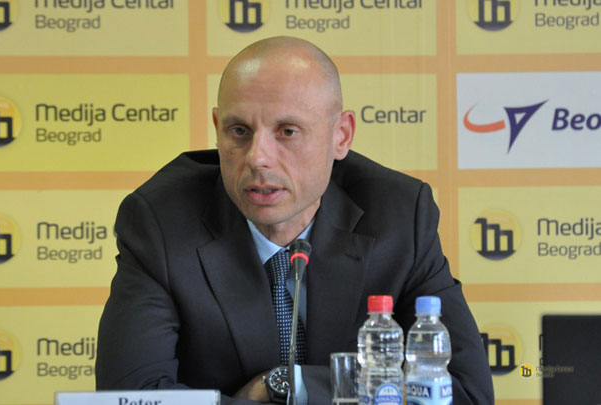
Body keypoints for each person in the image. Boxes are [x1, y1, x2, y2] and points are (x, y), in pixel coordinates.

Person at [96, 36, 494, 404]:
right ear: (217, 129)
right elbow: (130, 397)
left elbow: (465, 393)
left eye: (287, 131)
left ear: (341, 136)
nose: (257, 158)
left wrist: (287, 384)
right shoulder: (161, 221)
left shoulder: (399, 216)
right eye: (239, 131)